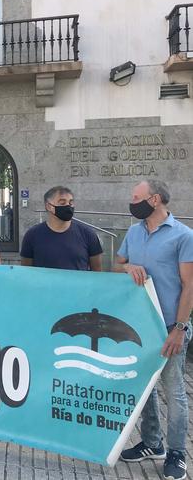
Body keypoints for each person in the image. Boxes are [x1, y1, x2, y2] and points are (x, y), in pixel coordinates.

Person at [114, 180, 192, 480]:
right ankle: (151, 442)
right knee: (145, 390)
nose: (132, 202)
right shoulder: (133, 232)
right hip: (139, 325)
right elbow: (116, 264)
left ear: (155, 199)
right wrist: (127, 267)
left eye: (136, 197)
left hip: (170, 325)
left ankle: (176, 453)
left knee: (174, 393)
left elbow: (189, 286)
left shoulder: (184, 236)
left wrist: (180, 329)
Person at [20, 186, 103, 271]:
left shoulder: (88, 234)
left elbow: (97, 271)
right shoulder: (32, 235)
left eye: (70, 203)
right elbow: (26, 271)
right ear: (49, 206)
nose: (68, 206)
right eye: (62, 203)